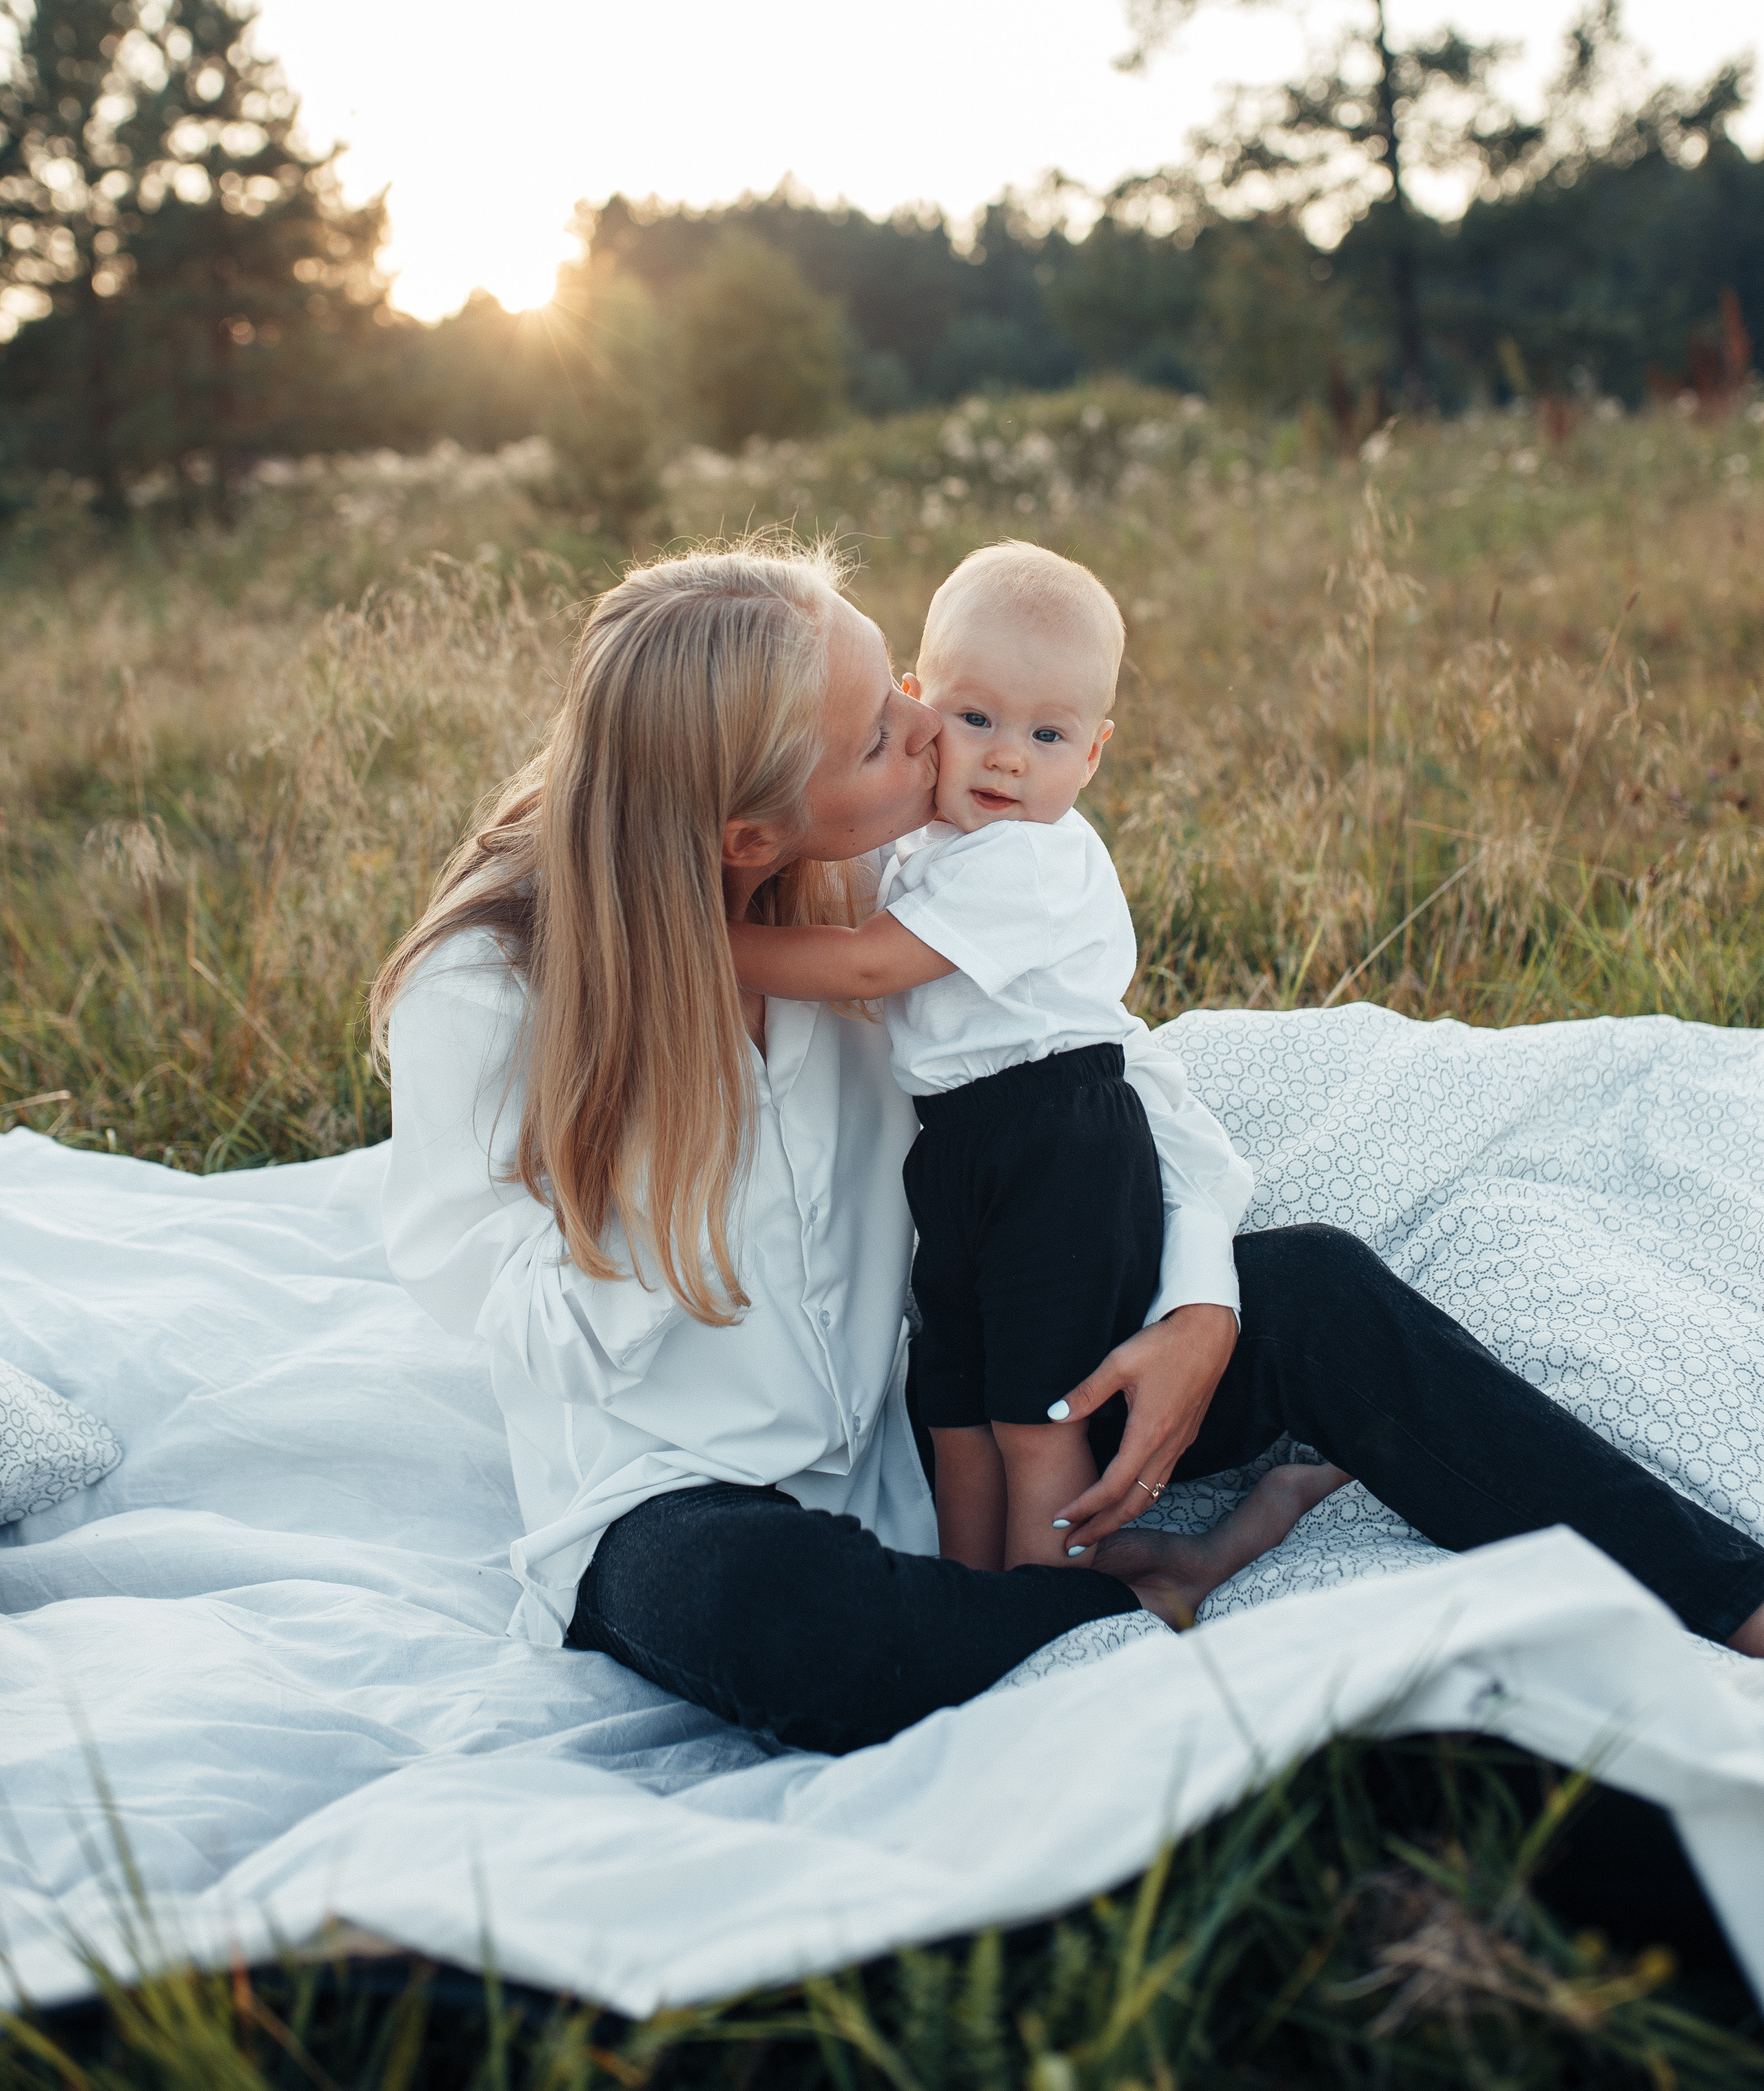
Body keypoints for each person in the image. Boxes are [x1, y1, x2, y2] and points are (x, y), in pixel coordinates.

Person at [375, 534, 1764, 1759]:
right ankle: (1142, 1597)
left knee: (1323, 1294)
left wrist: (1197, 1297)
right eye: (880, 732)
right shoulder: (491, 990)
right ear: (747, 830)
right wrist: (675, 1229)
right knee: (770, 1620)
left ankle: (1728, 1595)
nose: (931, 732)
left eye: (902, 689)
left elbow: (1105, 1060)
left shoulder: (889, 882)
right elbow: (471, 1273)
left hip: (961, 1393)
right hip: (681, 1486)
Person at [727, 540, 1346, 1578]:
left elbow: (871, 969)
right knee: (954, 1411)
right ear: (920, 708)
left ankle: (1043, 1624)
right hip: (961, 1147)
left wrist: (700, 938)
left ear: (1093, 755)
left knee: (1034, 1419)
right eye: (977, 719)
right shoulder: (929, 848)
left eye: (1048, 733)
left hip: (1058, 1143)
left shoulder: (1034, 858)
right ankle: (980, 1600)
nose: (1008, 756)